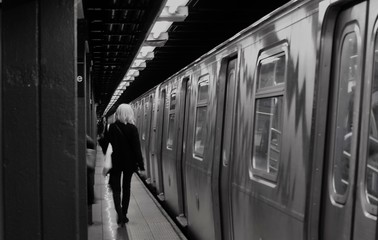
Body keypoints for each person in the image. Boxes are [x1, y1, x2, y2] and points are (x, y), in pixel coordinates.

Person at [107, 103, 145, 226]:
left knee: (116, 189)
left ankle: (119, 215)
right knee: (126, 187)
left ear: (118, 113)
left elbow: (106, 144)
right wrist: (141, 164)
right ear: (129, 114)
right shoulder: (133, 129)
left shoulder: (112, 127)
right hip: (129, 163)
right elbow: (136, 148)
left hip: (116, 162)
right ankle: (124, 214)